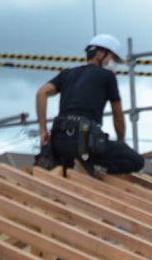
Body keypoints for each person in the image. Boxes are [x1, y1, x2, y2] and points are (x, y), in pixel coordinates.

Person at [35, 34, 144, 176]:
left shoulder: (67, 74)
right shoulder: (107, 76)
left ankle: (81, 167)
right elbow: (118, 116)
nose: (113, 63)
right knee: (135, 160)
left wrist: (43, 131)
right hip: (86, 144)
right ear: (100, 54)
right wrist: (121, 142)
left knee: (66, 171)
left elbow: (41, 93)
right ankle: (97, 169)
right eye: (113, 58)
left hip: (59, 144)